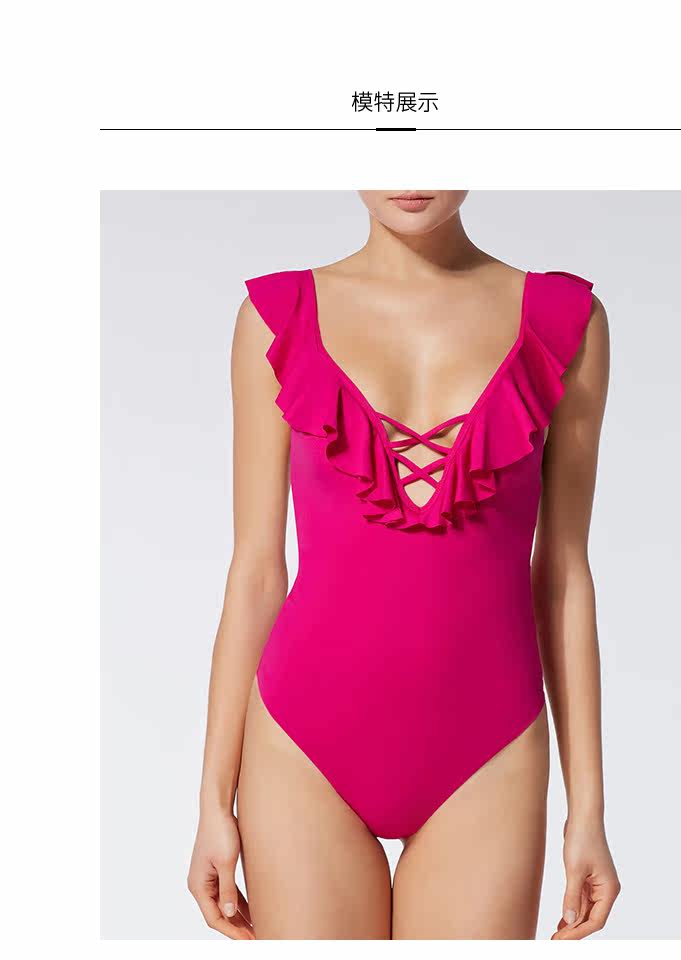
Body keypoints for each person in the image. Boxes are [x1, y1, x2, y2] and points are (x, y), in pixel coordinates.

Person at [188, 190, 620, 939]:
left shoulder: (564, 322)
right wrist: (210, 802)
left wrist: (589, 812)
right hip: (301, 745)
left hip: (489, 750)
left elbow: (563, 577)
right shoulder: (276, 317)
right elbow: (256, 573)